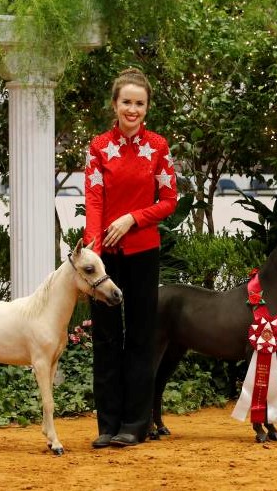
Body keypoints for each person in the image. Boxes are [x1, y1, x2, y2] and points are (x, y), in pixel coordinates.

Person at [84, 67, 177, 448]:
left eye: (139, 103)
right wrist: (92, 247)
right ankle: (107, 425)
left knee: (140, 338)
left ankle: (135, 425)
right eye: (127, 102)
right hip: (104, 258)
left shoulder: (159, 147)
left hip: (142, 252)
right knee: (106, 338)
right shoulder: (97, 147)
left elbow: (169, 202)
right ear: (115, 104)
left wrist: (132, 218)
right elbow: (93, 199)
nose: (132, 109)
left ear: (147, 107)